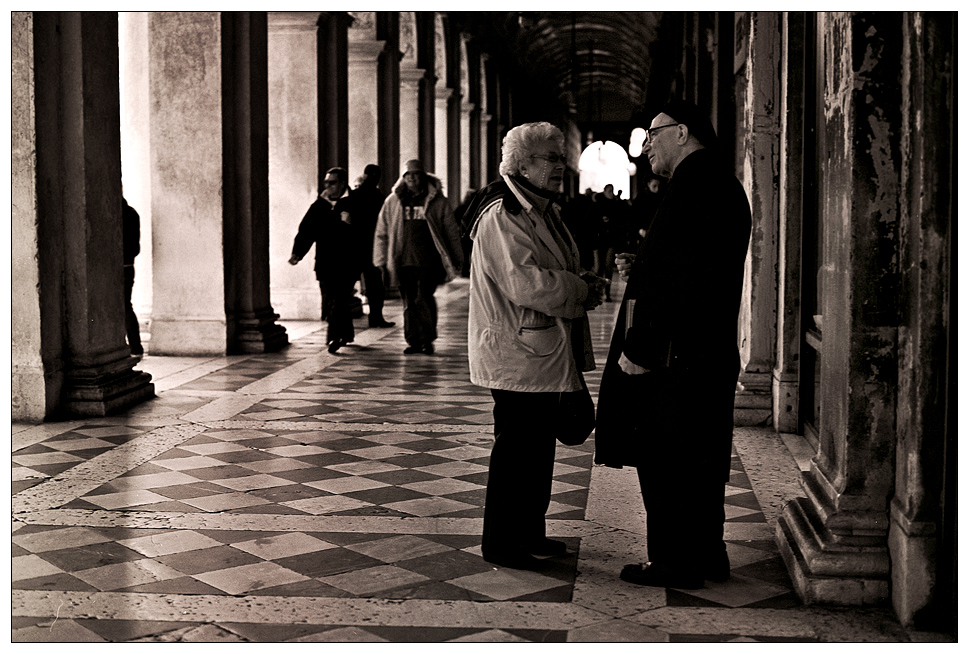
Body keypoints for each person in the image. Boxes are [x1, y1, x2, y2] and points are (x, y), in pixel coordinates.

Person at [594, 99, 752, 589]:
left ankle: (673, 561)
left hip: (674, 354)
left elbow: (681, 281)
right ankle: (706, 553)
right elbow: (683, 264)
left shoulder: (694, 185)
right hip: (703, 349)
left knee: (667, 459)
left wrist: (641, 349)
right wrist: (640, 265)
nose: (645, 150)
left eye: (652, 136)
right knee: (700, 458)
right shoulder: (714, 182)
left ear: (682, 133)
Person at [467, 121, 605, 570]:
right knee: (516, 454)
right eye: (550, 157)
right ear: (522, 163)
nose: (559, 166)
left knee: (536, 452)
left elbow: (555, 268)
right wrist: (579, 290)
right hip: (517, 353)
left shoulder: (541, 210)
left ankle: (529, 532)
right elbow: (526, 284)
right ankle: (503, 543)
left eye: (560, 157)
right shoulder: (502, 215)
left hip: (540, 353)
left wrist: (579, 281)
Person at [373, 159, 464, 355]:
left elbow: (451, 231)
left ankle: (427, 339)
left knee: (423, 297)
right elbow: (382, 231)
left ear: (423, 176)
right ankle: (413, 340)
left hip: (428, 261)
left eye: (415, 174)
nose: (411, 178)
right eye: (408, 175)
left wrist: (457, 257)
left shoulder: (437, 200)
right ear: (403, 178)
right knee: (408, 301)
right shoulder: (394, 201)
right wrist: (380, 260)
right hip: (403, 261)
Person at [289, 167, 360, 354]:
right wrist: (298, 252)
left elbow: (366, 232)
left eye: (332, 182)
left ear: (343, 184)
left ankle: (333, 337)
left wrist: (351, 224)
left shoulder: (354, 203)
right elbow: (306, 230)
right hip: (325, 261)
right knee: (332, 299)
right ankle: (346, 333)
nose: (327, 186)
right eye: (326, 182)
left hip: (347, 262)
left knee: (339, 298)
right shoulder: (319, 205)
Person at [349, 164, 395, 328]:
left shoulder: (354, 196)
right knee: (375, 287)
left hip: (355, 247)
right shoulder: (379, 198)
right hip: (371, 248)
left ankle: (342, 322)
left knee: (348, 285)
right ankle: (375, 317)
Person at [122, 197, 143, 356]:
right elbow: (135, 248)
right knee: (126, 306)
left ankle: (129, 347)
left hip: (118, 267)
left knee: (122, 307)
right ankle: (136, 347)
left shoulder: (114, 214)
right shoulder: (132, 213)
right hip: (128, 266)